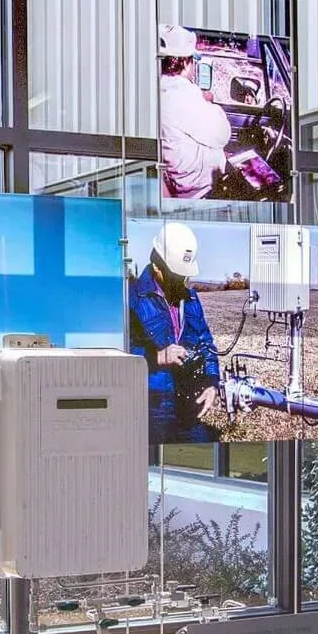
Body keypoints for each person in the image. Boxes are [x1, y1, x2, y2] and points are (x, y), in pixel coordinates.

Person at [128, 221, 225, 443]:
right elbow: (118, 353)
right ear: (156, 265)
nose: (181, 280)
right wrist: (158, 357)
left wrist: (212, 383)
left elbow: (206, 342)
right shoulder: (131, 297)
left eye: (184, 275)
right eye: (176, 274)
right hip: (151, 405)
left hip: (187, 402)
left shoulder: (190, 298)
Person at [156, 23, 234, 200]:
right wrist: (211, 103)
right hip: (204, 191)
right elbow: (222, 134)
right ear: (184, 61)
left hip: (186, 178)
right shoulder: (181, 96)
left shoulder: (164, 91)